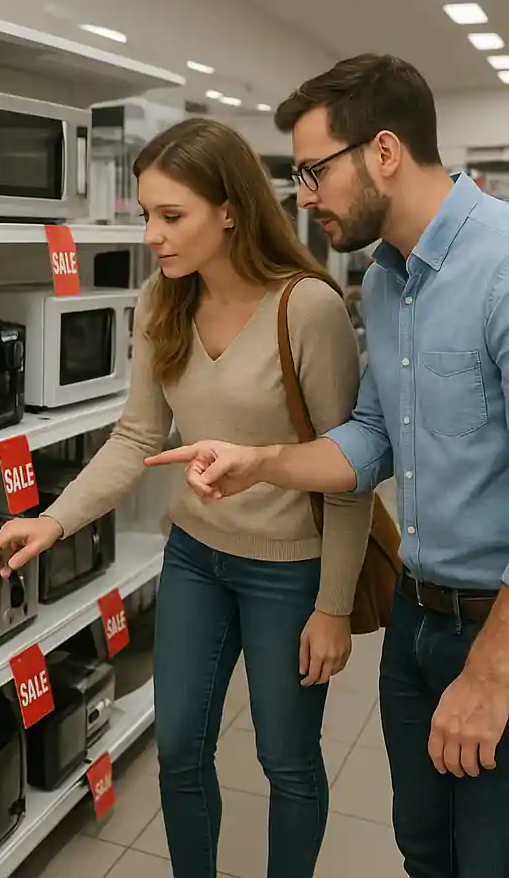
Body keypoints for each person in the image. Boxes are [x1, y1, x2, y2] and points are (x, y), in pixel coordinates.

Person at [0, 117, 373, 878]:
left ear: (229, 209)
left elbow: (345, 466)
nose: (154, 236)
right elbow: (136, 438)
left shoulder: (307, 308)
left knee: (285, 758)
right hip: (194, 558)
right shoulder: (161, 300)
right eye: (146, 217)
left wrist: (332, 607)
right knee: (179, 746)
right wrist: (52, 520)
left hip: (288, 571)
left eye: (171, 216)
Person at [150, 54, 509, 878]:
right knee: (425, 851)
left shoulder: (500, 269)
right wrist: (263, 460)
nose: (303, 194)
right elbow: (372, 438)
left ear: (383, 152)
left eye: (313, 170)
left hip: (495, 627)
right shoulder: (387, 286)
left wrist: (491, 671)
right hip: (418, 621)